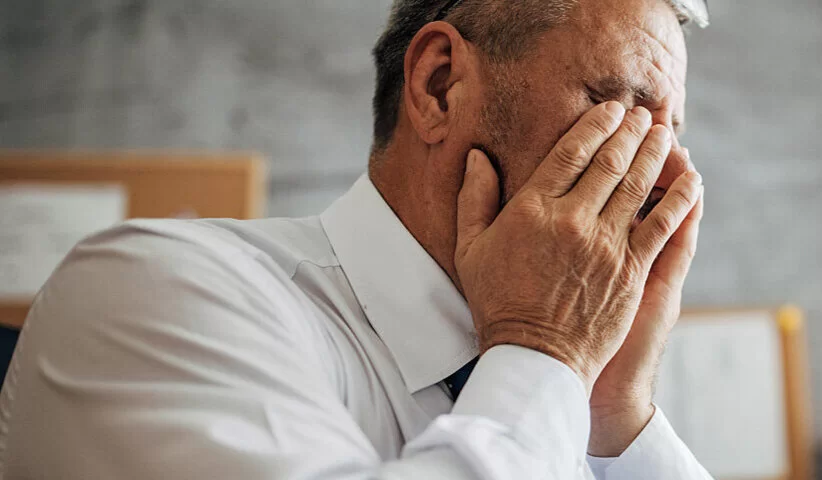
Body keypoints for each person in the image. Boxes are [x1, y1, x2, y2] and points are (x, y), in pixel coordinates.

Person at [0, 0, 715, 478]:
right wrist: (546, 350)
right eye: (617, 107)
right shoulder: (148, 293)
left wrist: (611, 416)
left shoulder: (563, 394)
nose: (665, 175)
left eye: (671, 134)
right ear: (440, 86)